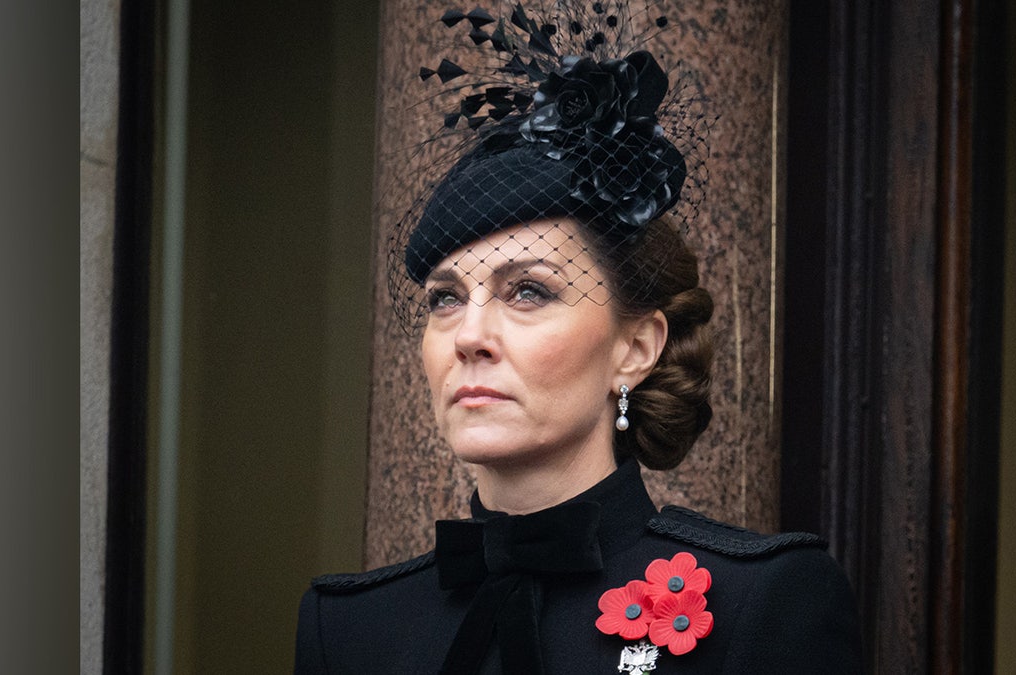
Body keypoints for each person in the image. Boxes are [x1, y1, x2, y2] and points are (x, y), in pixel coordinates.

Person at [295, 3, 862, 673]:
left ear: (636, 348)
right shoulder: (352, 627)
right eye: (446, 298)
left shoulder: (759, 602)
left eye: (527, 290)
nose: (469, 335)